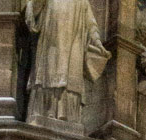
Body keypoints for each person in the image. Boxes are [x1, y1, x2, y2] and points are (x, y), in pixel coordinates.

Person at [23, 0, 110, 128]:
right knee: (49, 72)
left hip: (74, 47)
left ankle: (69, 117)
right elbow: (33, 12)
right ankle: (47, 111)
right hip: (51, 43)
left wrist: (97, 43)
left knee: (71, 79)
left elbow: (91, 24)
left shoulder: (82, 2)